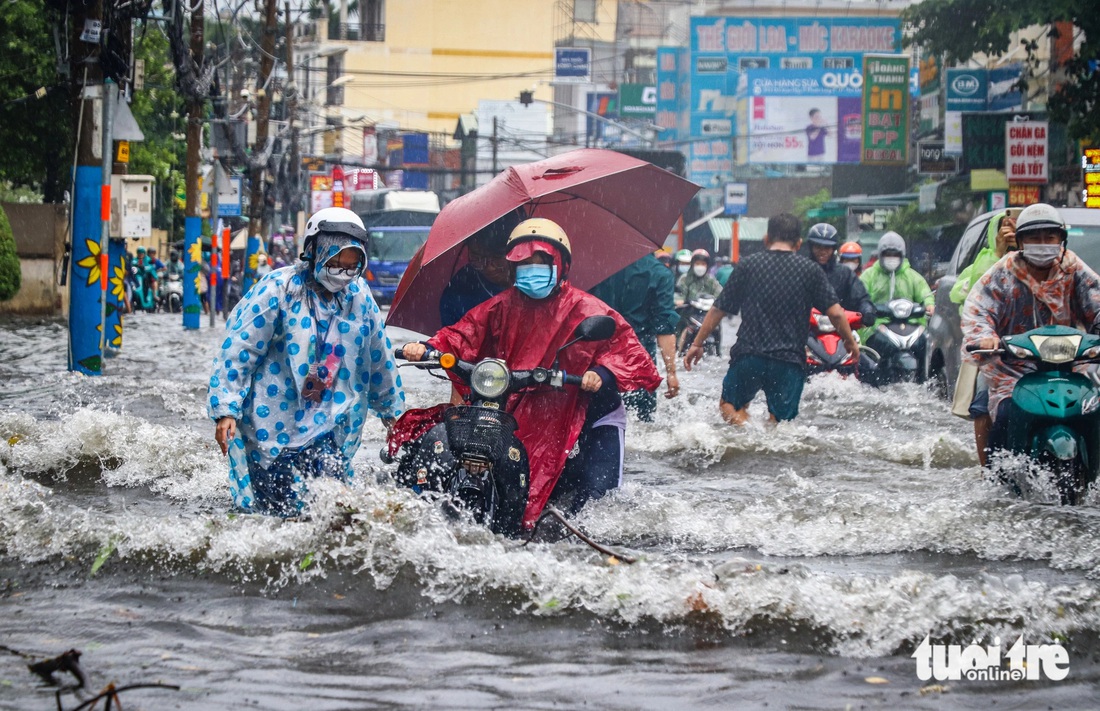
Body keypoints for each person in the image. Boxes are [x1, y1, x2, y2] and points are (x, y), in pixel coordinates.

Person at [399, 218, 661, 529]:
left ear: (560, 264)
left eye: (540, 263)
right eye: (524, 265)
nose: (531, 272)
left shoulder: (589, 309)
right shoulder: (500, 307)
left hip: (592, 415)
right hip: (528, 409)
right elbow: (462, 335)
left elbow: (628, 354)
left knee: (596, 501)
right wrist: (428, 348)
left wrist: (601, 374)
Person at [207, 206, 405, 516]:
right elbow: (240, 350)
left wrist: (393, 413)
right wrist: (225, 408)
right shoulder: (278, 290)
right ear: (314, 252)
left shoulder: (360, 298)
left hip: (327, 423)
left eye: (351, 266)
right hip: (271, 428)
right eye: (335, 262)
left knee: (337, 510)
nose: (342, 272)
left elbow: (378, 357)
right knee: (275, 516)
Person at [683, 213, 858, 425]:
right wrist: (849, 341)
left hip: (750, 356)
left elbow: (718, 309)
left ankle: (748, 435)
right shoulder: (810, 271)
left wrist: (697, 343)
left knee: (729, 406)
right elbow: (837, 313)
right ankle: (764, 443)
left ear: (766, 239)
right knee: (781, 424)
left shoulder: (748, 265)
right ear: (798, 243)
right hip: (789, 360)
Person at [960, 203, 1100, 460]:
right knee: (1001, 413)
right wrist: (985, 337)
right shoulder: (1003, 273)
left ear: (1061, 240)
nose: (1043, 243)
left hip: (1067, 364)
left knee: (1092, 409)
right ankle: (997, 478)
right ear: (1021, 241)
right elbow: (978, 309)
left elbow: (1096, 302)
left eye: (1050, 237)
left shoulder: (1073, 268)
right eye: (1034, 237)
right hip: (1011, 365)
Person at [949, 210, 1016, 465]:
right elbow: (979, 298)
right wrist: (999, 252)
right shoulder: (987, 261)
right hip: (998, 350)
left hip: (1044, 348)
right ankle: (987, 470)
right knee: (984, 402)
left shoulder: (1058, 265)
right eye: (1005, 226)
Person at [590, 253, 680, 421]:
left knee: (598, 417)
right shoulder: (660, 273)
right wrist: (671, 373)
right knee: (643, 421)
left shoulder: (596, 268)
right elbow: (664, 328)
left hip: (599, 356)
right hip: (639, 357)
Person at [438, 217, 517, 327]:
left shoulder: (538, 281)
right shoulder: (458, 293)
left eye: (497, 257)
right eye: (477, 258)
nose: (489, 268)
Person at [858, 231, 934, 343]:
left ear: (902, 256)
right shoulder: (869, 275)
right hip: (876, 326)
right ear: (880, 255)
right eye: (888, 255)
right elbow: (860, 295)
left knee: (924, 344)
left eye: (895, 255)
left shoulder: (911, 276)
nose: (891, 258)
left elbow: (924, 292)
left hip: (910, 325)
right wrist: (867, 311)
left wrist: (929, 304)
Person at [805, 223, 876, 329]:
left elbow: (861, 298)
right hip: (807, 331)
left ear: (834, 249)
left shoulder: (845, 273)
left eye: (827, 248)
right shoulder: (802, 270)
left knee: (857, 345)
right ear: (811, 247)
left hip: (842, 329)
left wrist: (867, 310)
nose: (823, 252)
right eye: (818, 247)